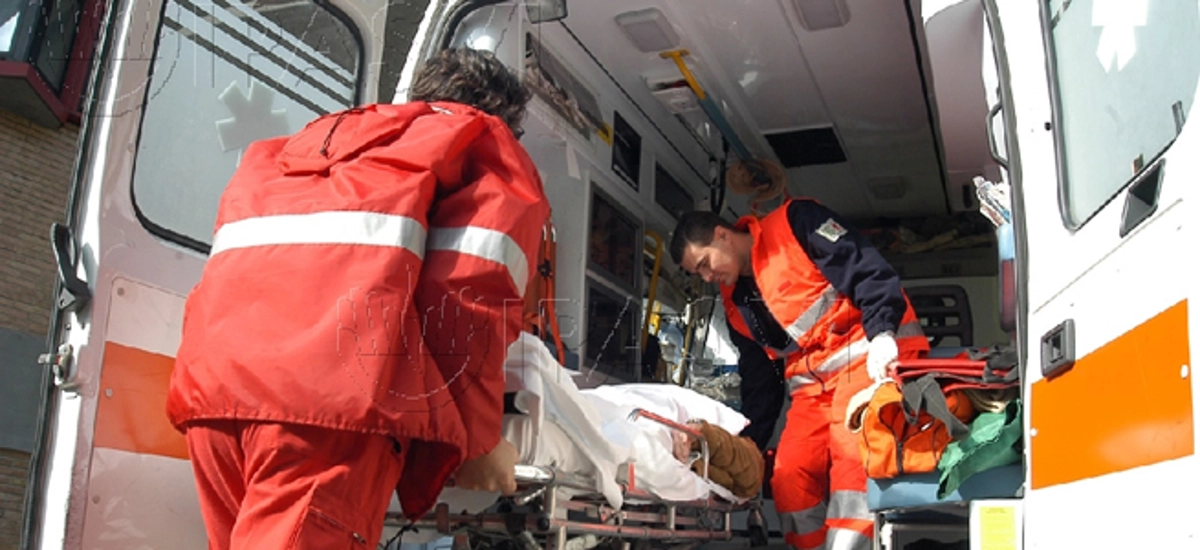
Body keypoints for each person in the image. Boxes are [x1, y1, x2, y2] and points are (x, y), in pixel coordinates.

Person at [167, 47, 550, 550]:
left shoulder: (309, 146)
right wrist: (475, 444)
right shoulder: (481, 140)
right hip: (322, 414)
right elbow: (467, 294)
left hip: (214, 399)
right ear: (504, 119)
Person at [670, 200, 928, 550]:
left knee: (851, 460)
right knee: (789, 477)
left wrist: (883, 332)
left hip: (865, 358)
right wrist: (748, 447)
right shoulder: (737, 305)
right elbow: (761, 383)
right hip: (813, 390)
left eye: (704, 264)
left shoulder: (796, 224)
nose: (706, 277)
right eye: (697, 273)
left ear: (722, 235)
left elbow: (861, 265)